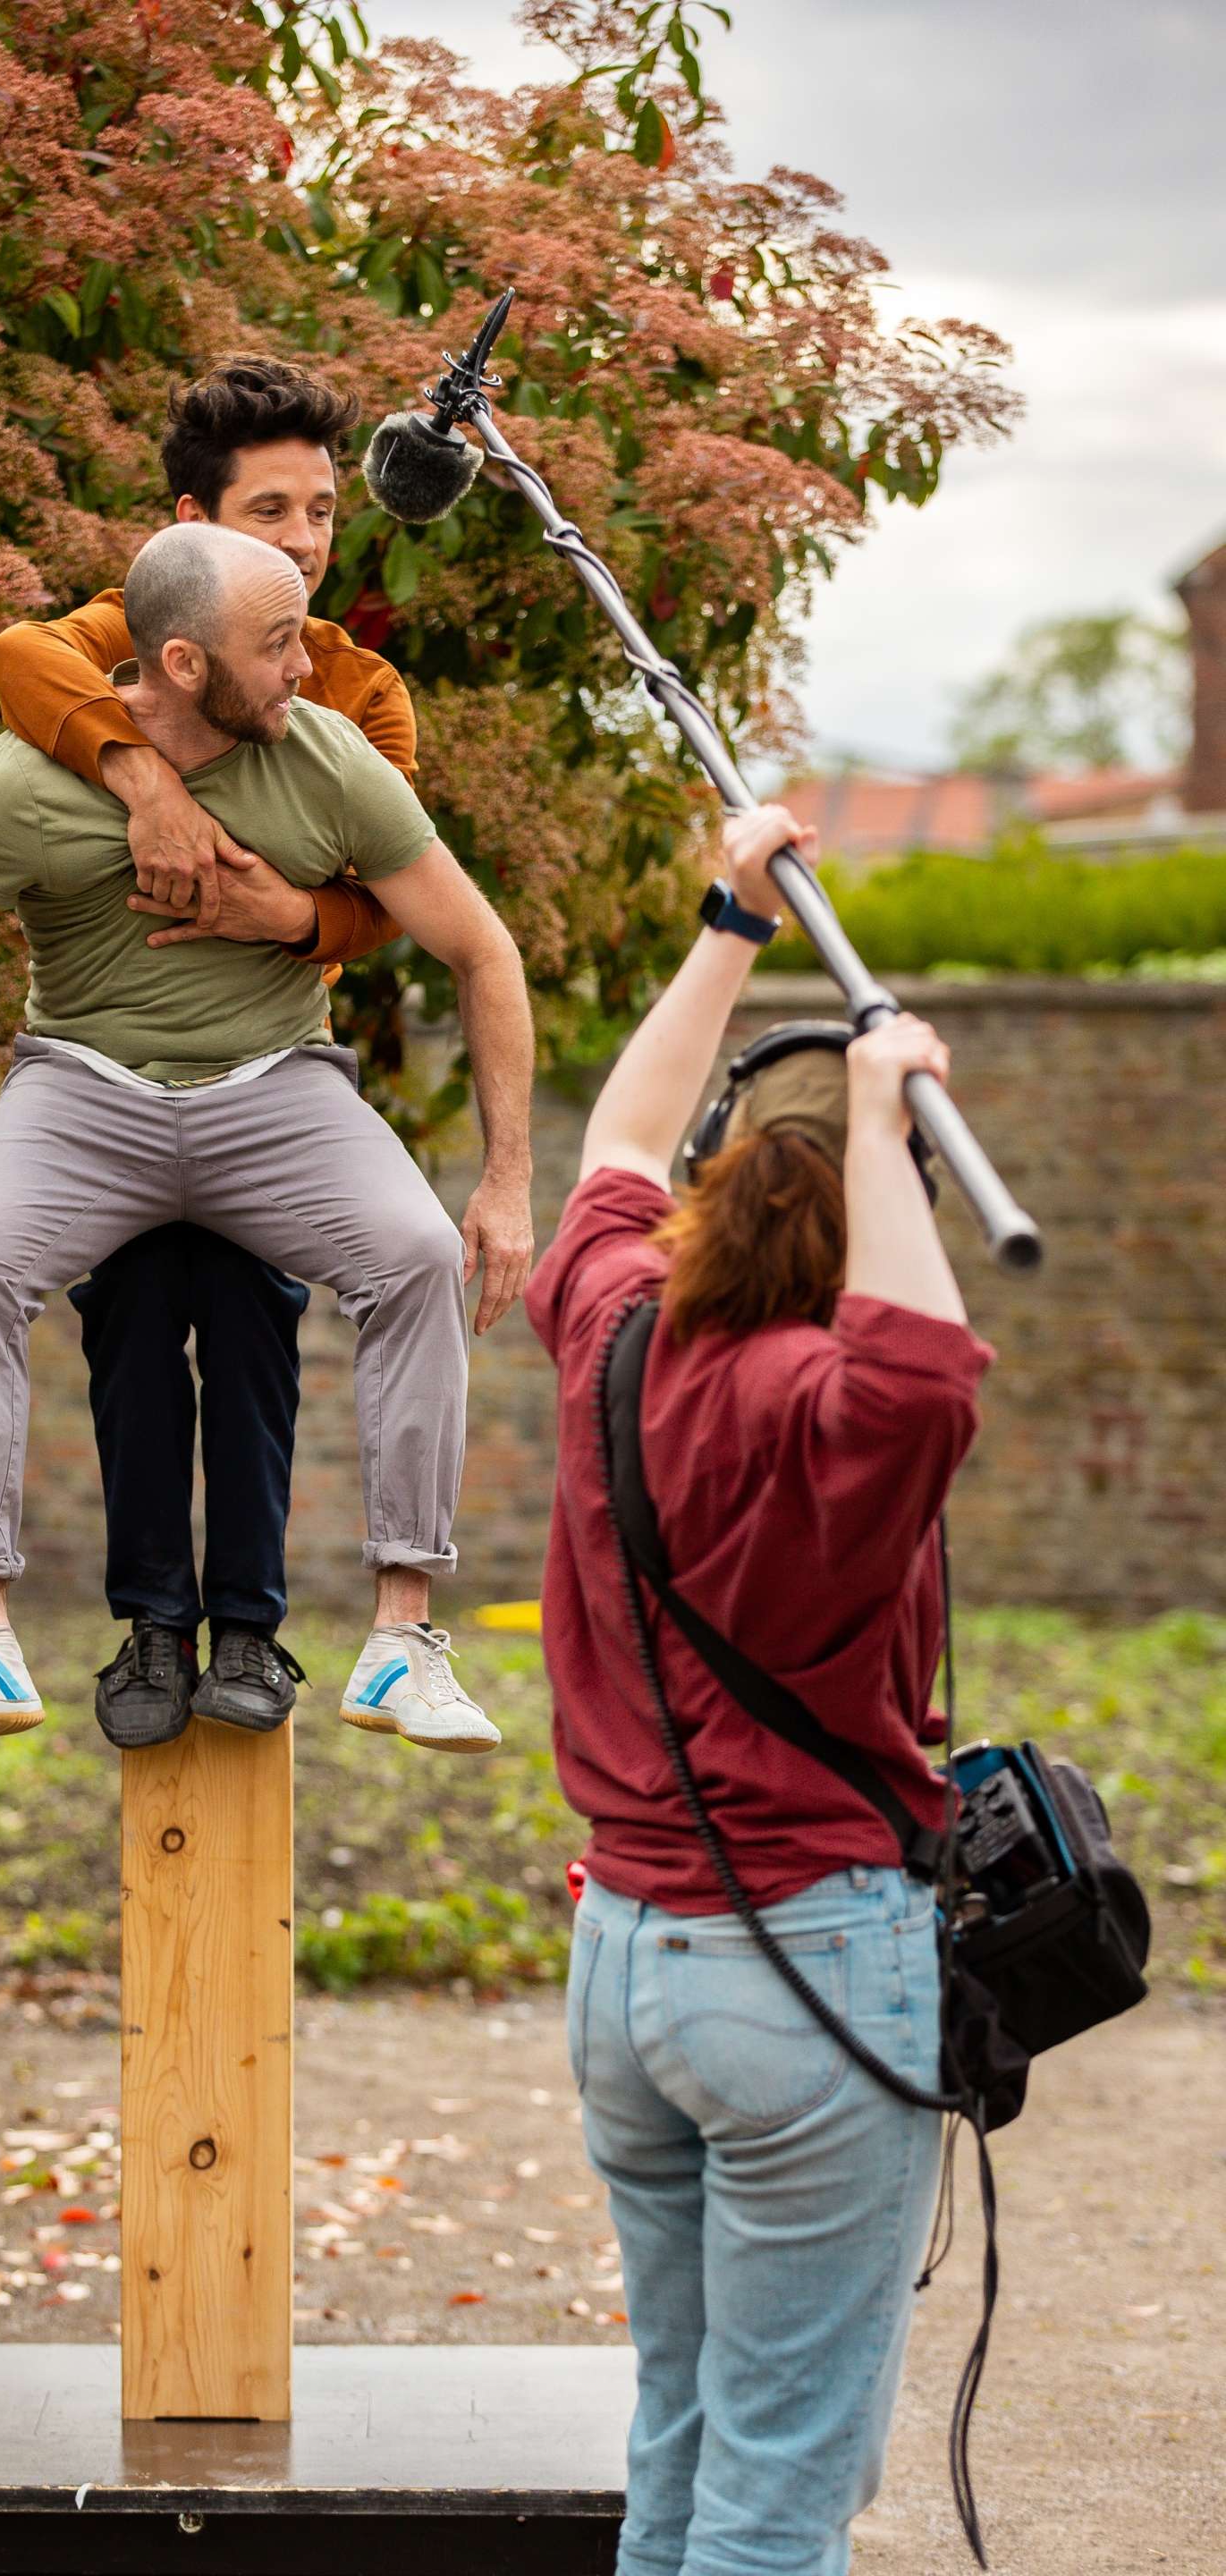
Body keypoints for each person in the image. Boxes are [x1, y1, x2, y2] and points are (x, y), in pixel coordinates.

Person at [0, 521, 535, 1758]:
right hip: (86, 1088)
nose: (303, 667)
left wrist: (505, 1180)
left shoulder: (327, 756)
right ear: (182, 663)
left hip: (275, 1087)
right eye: (276, 643)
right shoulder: (23, 784)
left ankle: (403, 1637)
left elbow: (480, 947)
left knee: (414, 1253)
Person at [523, 803, 994, 2576]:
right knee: (780, 2490)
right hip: (801, 1965)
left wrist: (732, 917)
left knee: (689, 2432)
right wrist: (886, 1113)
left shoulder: (618, 1322)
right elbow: (926, 1368)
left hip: (626, 1970)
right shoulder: (835, 1412)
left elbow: (623, 1137)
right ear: (869, 1241)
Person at [0, 356, 406, 1746]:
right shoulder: (133, 623)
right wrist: (146, 783)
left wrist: (285, 913)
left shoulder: (361, 692)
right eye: (268, 510)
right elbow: (18, 656)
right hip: (111, 1074)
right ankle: (149, 1631)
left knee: (251, 1328)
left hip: (265, 1073)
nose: (302, 541)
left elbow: (384, 907)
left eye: (323, 513)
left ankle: (252, 1633)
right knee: (129, 1325)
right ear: (190, 519)